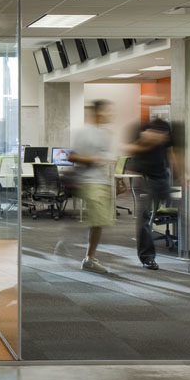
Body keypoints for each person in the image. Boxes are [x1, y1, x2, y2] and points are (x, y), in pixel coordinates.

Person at [125, 117, 187, 269]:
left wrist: (181, 175)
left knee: (181, 210)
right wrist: (150, 141)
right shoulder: (138, 127)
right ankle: (147, 257)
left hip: (163, 177)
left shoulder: (165, 125)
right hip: (146, 179)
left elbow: (173, 153)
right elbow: (131, 149)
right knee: (145, 217)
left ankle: (185, 248)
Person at [68, 99, 117, 273]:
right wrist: (92, 160)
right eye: (106, 111)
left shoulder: (106, 134)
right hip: (89, 181)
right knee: (98, 219)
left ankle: (89, 256)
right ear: (97, 112)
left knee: (100, 221)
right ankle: (88, 257)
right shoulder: (84, 132)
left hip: (103, 181)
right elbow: (72, 156)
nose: (109, 114)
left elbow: (109, 158)